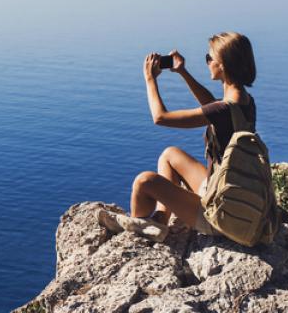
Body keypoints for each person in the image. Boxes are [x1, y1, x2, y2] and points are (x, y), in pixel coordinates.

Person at [97, 31, 257, 241]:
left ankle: (140, 231)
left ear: (223, 65)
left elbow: (160, 117)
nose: (207, 62)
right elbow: (212, 106)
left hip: (221, 215)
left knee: (144, 182)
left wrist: (149, 79)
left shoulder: (223, 110)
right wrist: (183, 72)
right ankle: (160, 221)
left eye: (210, 58)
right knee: (170, 155)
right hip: (232, 196)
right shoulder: (245, 101)